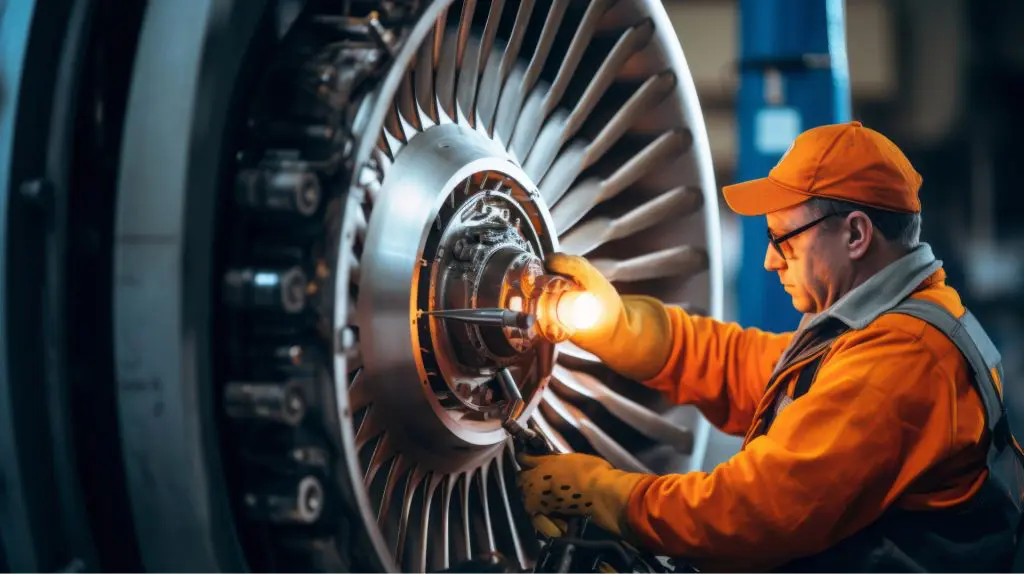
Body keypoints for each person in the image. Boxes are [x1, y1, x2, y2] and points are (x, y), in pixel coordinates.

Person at [519, 121, 1024, 572]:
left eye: (784, 239)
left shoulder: (906, 360)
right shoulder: (879, 327)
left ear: (855, 234)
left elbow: (759, 509)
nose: (768, 262)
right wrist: (620, 326)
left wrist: (615, 498)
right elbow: (749, 369)